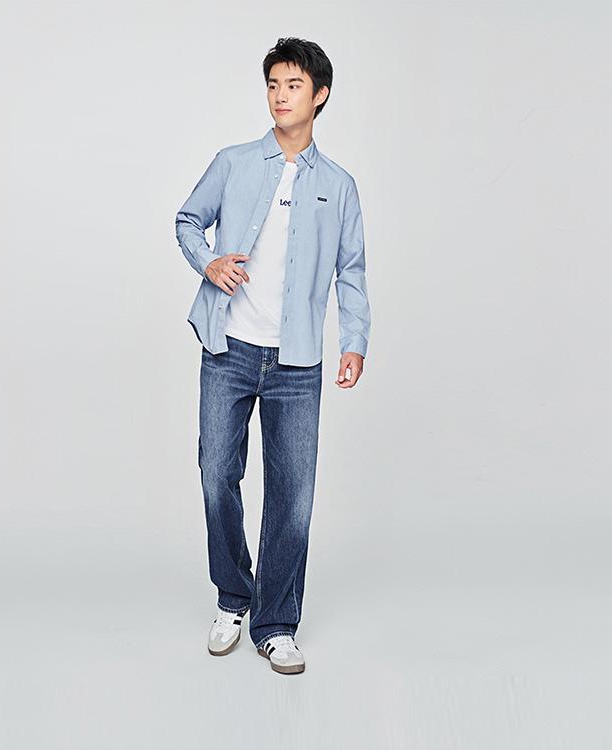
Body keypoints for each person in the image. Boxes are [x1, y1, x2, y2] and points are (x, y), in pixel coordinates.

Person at [175, 37, 372, 674]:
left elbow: (351, 271)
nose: (280, 96)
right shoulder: (233, 163)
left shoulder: (338, 186)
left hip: (297, 363)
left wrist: (354, 341)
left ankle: (277, 622)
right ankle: (233, 597)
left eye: (293, 85)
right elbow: (187, 221)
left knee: (292, 497)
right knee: (216, 477)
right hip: (228, 349)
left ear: (320, 96)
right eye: (273, 84)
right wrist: (209, 263)